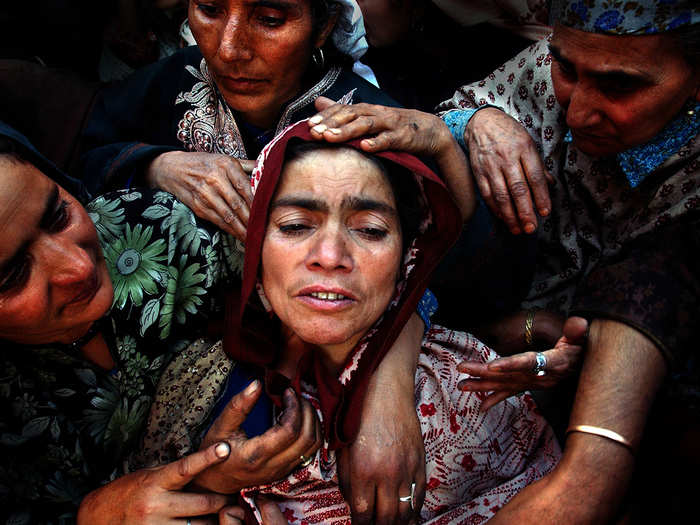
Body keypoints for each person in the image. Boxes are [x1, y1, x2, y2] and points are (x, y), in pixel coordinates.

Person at [310, 0, 700, 521]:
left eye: (620, 87)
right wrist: (472, 123)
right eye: (567, 70)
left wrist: (573, 354)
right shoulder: (549, 68)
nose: (577, 111)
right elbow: (450, 141)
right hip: (468, 339)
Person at [133, 120, 563, 524]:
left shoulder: (468, 387)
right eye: (297, 225)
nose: (330, 256)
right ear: (255, 250)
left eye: (371, 230)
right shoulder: (195, 382)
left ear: (406, 258)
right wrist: (211, 483)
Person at [0, 121, 321, 524]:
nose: (78, 266)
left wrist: (387, 382)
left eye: (58, 216)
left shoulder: (149, 228)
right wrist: (97, 515)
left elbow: (334, 264)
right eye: (12, 276)